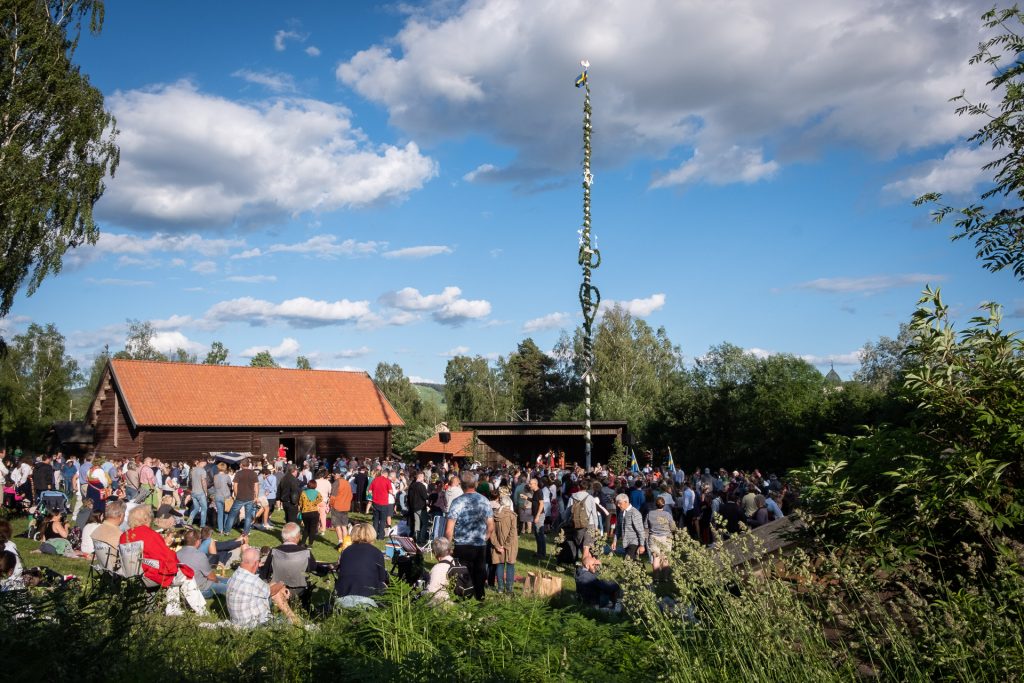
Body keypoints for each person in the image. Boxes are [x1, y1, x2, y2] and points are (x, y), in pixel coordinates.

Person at [120, 505, 206, 616]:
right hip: (147, 575)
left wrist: (163, 544)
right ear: (146, 519)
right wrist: (167, 546)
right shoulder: (150, 535)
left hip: (130, 572)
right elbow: (166, 557)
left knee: (175, 573)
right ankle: (200, 610)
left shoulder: (125, 535)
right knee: (183, 574)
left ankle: (173, 609)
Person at [444, 471, 494, 601]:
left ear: (462, 485)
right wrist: (484, 539)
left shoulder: (457, 502)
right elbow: (491, 526)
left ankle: (462, 607)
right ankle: (480, 605)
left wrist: (448, 548)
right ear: (475, 484)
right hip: (479, 546)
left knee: (462, 579)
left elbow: (449, 530)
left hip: (462, 546)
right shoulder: (484, 501)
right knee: (479, 579)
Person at [227, 546, 298, 627]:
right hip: (255, 625)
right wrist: (283, 582)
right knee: (285, 618)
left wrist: (278, 585)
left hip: (238, 621)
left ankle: (293, 618)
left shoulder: (235, 575)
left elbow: (266, 588)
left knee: (275, 588)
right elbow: (271, 592)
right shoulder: (253, 581)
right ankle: (295, 620)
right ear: (256, 563)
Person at [259, 522, 318, 609]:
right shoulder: (306, 552)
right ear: (297, 536)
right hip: (299, 588)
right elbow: (313, 569)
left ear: (283, 537)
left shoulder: (274, 551)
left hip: (277, 588)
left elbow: (265, 573)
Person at [334, 522, 388, 608]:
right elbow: (382, 578)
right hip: (368, 598)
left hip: (344, 596)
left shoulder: (346, 551)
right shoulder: (377, 552)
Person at [177, 528, 228, 598]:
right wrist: (217, 581)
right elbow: (211, 577)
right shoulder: (200, 555)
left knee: (226, 580)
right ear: (198, 541)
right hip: (200, 589)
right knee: (229, 587)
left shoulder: (177, 553)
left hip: (185, 585)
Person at [490, 491, 518, 594]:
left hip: (498, 545)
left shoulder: (494, 514)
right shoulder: (512, 516)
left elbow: (491, 531)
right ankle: (509, 589)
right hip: (510, 545)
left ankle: (500, 588)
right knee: (510, 565)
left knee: (500, 565)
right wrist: (505, 546)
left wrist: (497, 545)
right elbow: (513, 532)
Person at [90, 499, 126, 571]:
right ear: (121, 516)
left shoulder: (97, 530)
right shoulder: (119, 535)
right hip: (117, 570)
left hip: (103, 566)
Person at [226, 458, 259, 535]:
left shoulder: (238, 473)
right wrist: (256, 496)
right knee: (248, 516)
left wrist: (236, 495)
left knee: (232, 514)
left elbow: (235, 485)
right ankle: (246, 532)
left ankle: (227, 531)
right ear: (248, 465)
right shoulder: (253, 473)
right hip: (250, 497)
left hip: (240, 498)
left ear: (241, 465)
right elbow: (256, 486)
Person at [646, 496, 674, 581]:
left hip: (654, 537)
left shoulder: (650, 514)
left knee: (656, 558)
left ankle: (656, 578)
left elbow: (646, 526)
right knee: (665, 558)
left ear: (655, 504)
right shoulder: (667, 514)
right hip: (666, 537)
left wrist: (646, 537)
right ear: (664, 505)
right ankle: (665, 578)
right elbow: (673, 527)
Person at [611, 493, 645, 560]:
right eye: (617, 503)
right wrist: (614, 541)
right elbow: (618, 529)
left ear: (626, 502)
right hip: (626, 543)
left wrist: (642, 545)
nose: (618, 505)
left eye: (619, 503)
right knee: (635, 563)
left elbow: (640, 530)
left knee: (627, 561)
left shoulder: (634, 513)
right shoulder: (621, 513)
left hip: (634, 542)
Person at [423, 536, 455, 604]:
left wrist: (420, 592)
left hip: (442, 603)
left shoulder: (437, 569)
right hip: (455, 600)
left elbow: (431, 592)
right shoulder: (455, 562)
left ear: (435, 553)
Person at [328, 471, 353, 547]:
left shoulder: (336, 483)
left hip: (337, 506)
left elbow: (333, 496)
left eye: (334, 474)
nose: (333, 476)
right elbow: (351, 495)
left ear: (338, 475)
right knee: (344, 525)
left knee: (337, 525)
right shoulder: (347, 482)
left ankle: (340, 542)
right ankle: (346, 543)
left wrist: (330, 504)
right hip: (346, 506)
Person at [368, 469, 392, 540]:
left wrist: (373, 495)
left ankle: (374, 535)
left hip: (375, 502)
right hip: (384, 503)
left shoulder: (375, 480)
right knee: (382, 520)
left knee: (375, 519)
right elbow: (390, 491)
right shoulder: (387, 481)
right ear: (386, 475)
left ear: (381, 473)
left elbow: (369, 491)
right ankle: (381, 536)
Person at [298, 480, 323, 546]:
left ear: (308, 485)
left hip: (305, 512)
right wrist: (314, 503)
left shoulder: (303, 493)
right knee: (313, 529)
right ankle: (310, 544)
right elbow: (321, 499)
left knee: (306, 528)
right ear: (315, 485)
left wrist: (301, 510)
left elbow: (300, 503)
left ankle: (303, 543)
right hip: (314, 512)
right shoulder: (317, 493)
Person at [407, 471, 429, 546]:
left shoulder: (411, 485)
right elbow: (425, 497)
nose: (424, 478)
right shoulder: (421, 486)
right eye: (423, 477)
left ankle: (415, 537)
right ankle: (421, 539)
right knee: (424, 523)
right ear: (420, 477)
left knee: (417, 523)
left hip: (413, 507)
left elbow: (408, 497)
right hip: (421, 507)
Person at [188, 457, 209, 528]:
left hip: (193, 492)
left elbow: (191, 481)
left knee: (196, 508)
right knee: (204, 509)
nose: (205, 466)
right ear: (202, 463)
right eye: (205, 464)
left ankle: (189, 522)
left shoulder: (193, 470)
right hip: (200, 492)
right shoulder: (202, 471)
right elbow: (203, 482)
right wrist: (206, 491)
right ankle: (202, 525)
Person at [212, 462, 232, 533]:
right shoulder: (227, 476)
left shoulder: (215, 476)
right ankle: (225, 528)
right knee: (226, 513)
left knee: (220, 514)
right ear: (225, 468)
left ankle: (220, 530)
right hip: (226, 496)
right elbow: (230, 484)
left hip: (217, 496)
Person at [530, 477, 547, 559]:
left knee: (540, 534)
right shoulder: (535, 492)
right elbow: (534, 501)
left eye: (531, 484)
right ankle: (539, 552)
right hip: (536, 515)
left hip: (539, 516)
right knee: (537, 535)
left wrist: (537, 516)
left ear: (535, 484)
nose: (529, 485)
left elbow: (541, 504)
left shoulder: (539, 492)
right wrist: (526, 498)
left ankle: (542, 554)